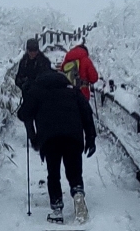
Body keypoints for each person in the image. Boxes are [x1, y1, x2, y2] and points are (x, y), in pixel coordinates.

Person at [20, 66, 96, 223]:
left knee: (53, 174)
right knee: (74, 171)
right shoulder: (72, 90)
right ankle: (78, 195)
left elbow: (23, 113)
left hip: (50, 138)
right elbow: (86, 112)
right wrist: (90, 137)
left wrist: (28, 94)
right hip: (73, 136)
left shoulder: (38, 90)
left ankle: (57, 209)